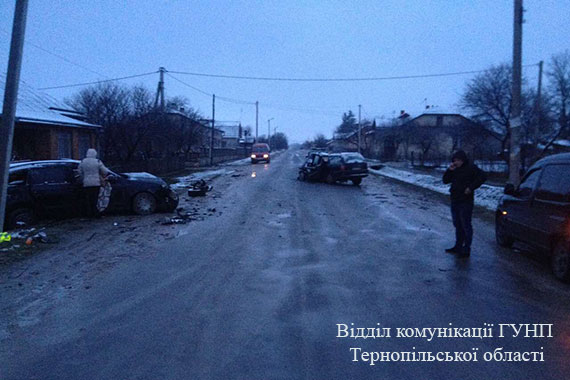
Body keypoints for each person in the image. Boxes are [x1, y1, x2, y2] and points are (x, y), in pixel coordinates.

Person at [442, 150, 486, 258]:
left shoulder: (471, 168)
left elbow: (483, 177)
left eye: (458, 160)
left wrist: (471, 188)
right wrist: (449, 170)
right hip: (455, 199)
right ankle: (458, 246)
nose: (456, 162)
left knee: (465, 224)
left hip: (466, 200)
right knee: (457, 224)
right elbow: (445, 180)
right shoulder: (454, 169)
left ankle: (466, 247)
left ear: (463, 160)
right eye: (455, 160)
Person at [78, 148, 109, 217]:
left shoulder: (83, 161)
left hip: (86, 183)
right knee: (95, 199)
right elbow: (105, 171)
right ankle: (95, 214)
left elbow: (79, 172)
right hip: (96, 183)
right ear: (95, 154)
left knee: (88, 199)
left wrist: (84, 177)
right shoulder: (97, 161)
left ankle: (88, 214)